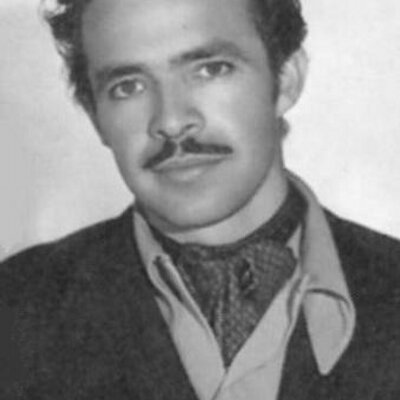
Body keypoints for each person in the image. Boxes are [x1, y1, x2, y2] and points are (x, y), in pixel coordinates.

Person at [1, 0, 399, 398]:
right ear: (95, 117)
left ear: (286, 80)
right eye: (128, 87)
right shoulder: (14, 308)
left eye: (211, 69)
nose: (171, 122)